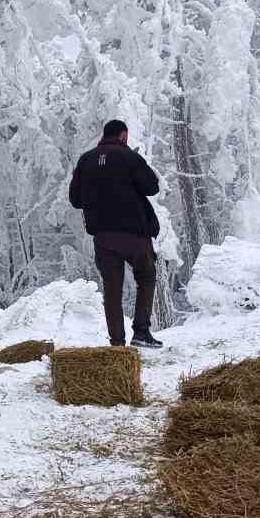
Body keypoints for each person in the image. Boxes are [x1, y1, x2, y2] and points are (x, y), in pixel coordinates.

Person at [68, 119, 164, 349]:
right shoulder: (129, 157)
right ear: (123, 136)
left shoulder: (86, 160)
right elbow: (152, 186)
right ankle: (141, 332)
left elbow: (75, 200)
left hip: (103, 237)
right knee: (147, 276)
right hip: (134, 235)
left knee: (112, 290)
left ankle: (117, 344)